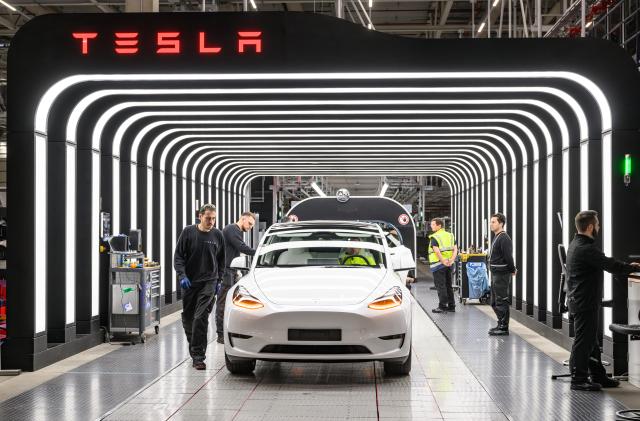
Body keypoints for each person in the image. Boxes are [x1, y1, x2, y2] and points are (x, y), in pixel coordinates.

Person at [566, 210, 640, 391]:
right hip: (584, 301)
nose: (599, 227)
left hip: (580, 299)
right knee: (584, 341)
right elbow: (610, 265)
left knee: (590, 341)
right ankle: (578, 379)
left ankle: (598, 375)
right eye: (597, 224)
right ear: (590, 226)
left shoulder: (575, 244)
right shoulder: (586, 249)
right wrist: (630, 267)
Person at [174, 204, 226, 370]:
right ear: (200, 216)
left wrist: (219, 281)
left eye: (213, 218)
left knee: (200, 317)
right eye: (208, 218)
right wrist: (182, 275)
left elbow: (222, 261)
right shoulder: (188, 232)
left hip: (209, 282)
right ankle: (194, 349)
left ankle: (198, 357)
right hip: (190, 283)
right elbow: (178, 257)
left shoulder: (218, 235)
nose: (211, 221)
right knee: (189, 318)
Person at [216, 212, 257, 344]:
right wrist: (260, 252)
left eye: (252, 225)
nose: (250, 227)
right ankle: (221, 335)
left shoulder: (236, 231)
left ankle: (226, 332)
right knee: (222, 303)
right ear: (243, 219)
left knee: (229, 303)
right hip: (226, 272)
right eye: (249, 224)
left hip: (231, 271)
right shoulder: (232, 229)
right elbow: (242, 247)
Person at [488, 212, 516, 335]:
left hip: (501, 273)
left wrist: (512, 269)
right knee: (494, 301)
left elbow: (508, 257)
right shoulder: (497, 236)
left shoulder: (504, 238)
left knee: (501, 300)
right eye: (491, 222)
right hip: (495, 273)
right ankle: (500, 323)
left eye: (493, 222)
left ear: (501, 224)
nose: (491, 224)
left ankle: (504, 327)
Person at [428, 218, 458, 313]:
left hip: (438, 265)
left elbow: (436, 251)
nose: (431, 226)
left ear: (439, 226)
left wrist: (443, 261)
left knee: (441, 286)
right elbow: (455, 249)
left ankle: (442, 306)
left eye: (433, 225)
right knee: (448, 285)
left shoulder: (435, 236)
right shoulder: (450, 235)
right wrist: (452, 260)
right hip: (449, 264)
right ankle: (451, 306)